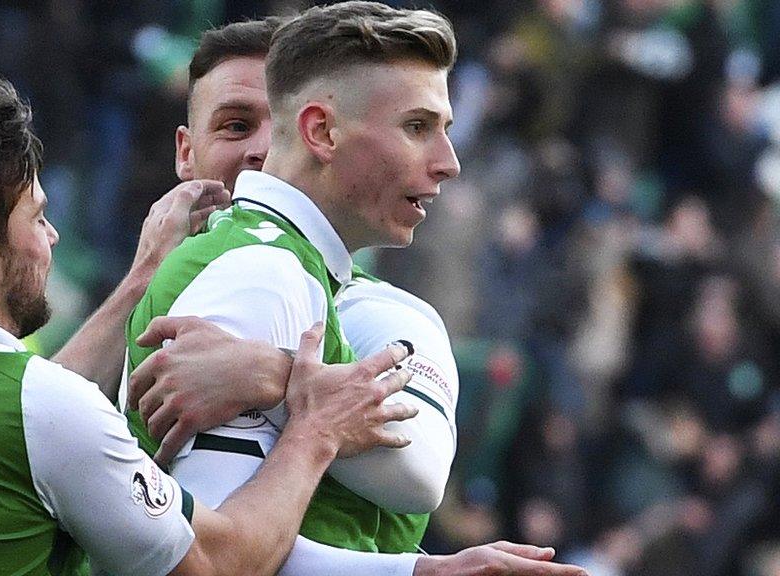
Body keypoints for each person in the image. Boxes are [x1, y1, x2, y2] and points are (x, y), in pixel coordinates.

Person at [0, 79, 430, 576]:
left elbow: (15, 432)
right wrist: (315, 431)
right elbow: (217, 564)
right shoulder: (36, 408)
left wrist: (140, 278)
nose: (51, 237)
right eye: (35, 218)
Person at [125, 4, 586, 575]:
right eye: (417, 127)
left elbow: (419, 476)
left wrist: (282, 375)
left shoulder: (301, 273)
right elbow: (205, 561)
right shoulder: (261, 275)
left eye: (444, 129)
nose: (449, 163)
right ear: (321, 131)